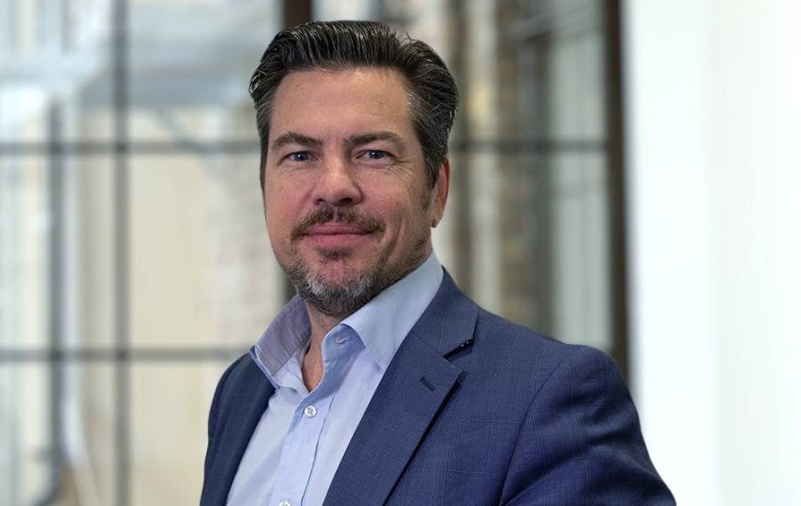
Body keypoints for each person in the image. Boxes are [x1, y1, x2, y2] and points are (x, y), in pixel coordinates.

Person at [200, 20, 674, 505]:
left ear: (437, 190)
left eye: (373, 154)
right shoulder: (243, 392)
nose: (334, 186)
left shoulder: (551, 398)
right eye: (300, 156)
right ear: (265, 186)